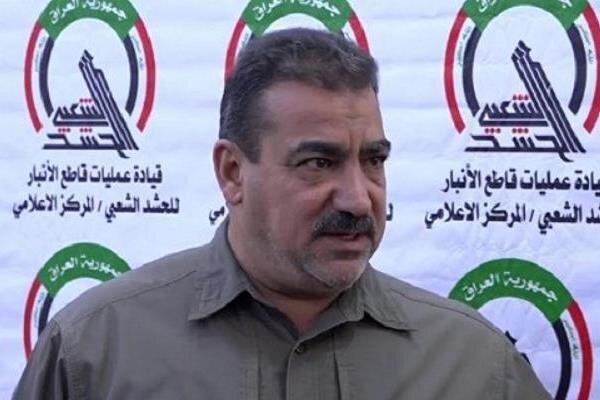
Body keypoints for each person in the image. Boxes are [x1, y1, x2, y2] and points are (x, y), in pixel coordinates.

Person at [14, 28, 551, 399]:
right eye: (319, 163)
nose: (358, 198)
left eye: (373, 161)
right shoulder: (94, 351)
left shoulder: (475, 364)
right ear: (232, 172)